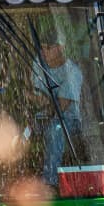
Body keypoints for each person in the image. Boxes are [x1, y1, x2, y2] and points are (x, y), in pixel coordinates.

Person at [31, 31, 84, 185]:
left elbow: (59, 108)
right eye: (41, 48)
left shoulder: (73, 72)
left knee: (56, 130)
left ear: (60, 48)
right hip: (40, 117)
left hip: (68, 120)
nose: (43, 52)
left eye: (47, 48)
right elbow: (30, 94)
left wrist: (39, 101)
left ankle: (50, 183)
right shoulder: (37, 63)